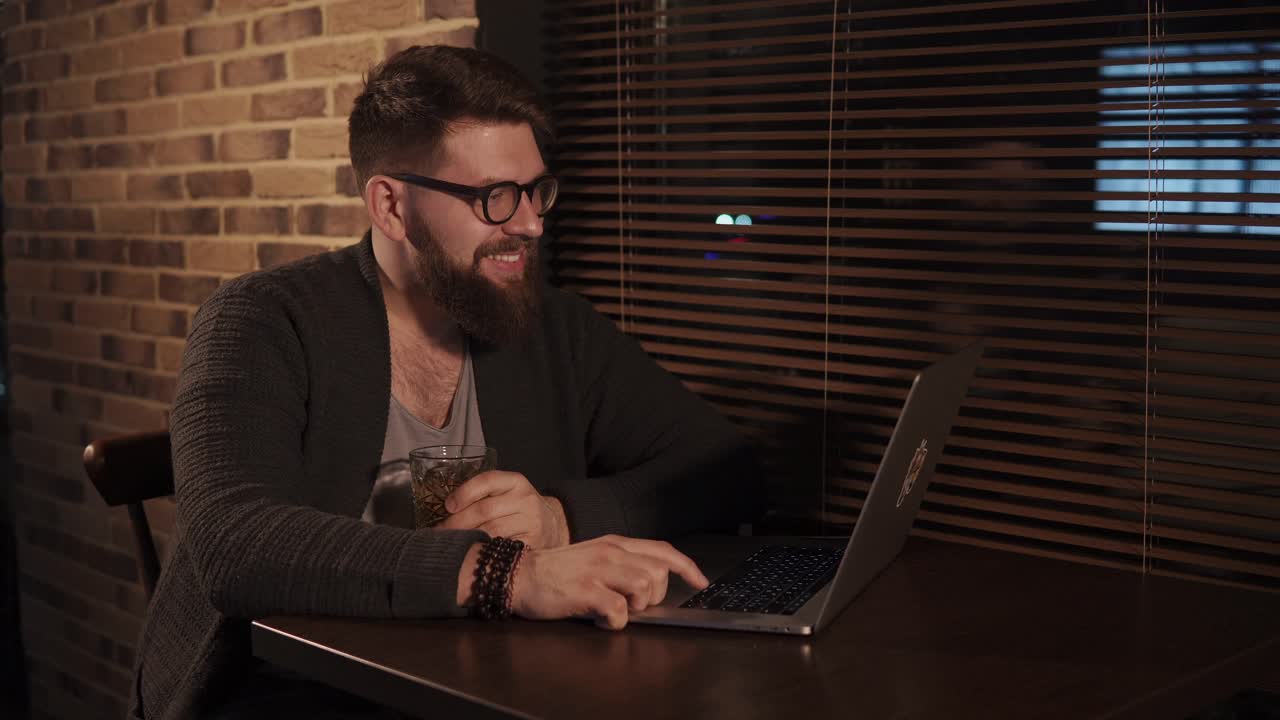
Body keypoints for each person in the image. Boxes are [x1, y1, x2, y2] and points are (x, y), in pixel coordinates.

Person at [130, 45, 762, 719]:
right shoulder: (260, 320)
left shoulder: (556, 329)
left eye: (535, 190)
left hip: (481, 688)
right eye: (494, 198)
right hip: (278, 694)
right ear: (391, 208)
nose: (530, 223)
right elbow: (236, 544)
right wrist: (508, 575)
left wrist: (560, 518)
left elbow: (725, 469)